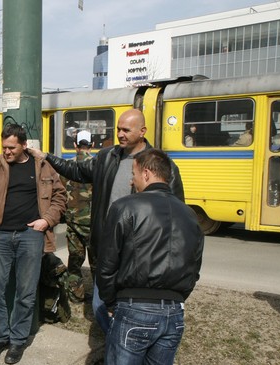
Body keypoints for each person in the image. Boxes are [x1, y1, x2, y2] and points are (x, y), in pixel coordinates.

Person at [29, 109, 184, 333]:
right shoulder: (107, 157)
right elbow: (77, 170)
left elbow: (176, 210)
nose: (120, 134)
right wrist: (46, 157)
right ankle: (118, 337)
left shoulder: (160, 164)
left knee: (131, 305)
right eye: (118, 129)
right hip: (108, 244)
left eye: (126, 130)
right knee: (101, 304)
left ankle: (126, 340)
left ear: (142, 132)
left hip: (141, 248)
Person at [96, 148, 204, 365]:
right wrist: (177, 299)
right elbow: (194, 269)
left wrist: (109, 301)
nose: (132, 181)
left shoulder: (126, 207)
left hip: (133, 308)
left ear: (146, 172)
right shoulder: (191, 215)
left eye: (133, 175)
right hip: (173, 313)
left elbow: (106, 265)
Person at [0, 123, 66, 365]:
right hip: (0, 236)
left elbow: (60, 196)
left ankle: (17, 341)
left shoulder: (42, 166)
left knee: (25, 292)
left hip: (30, 235)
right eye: (4, 147)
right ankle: (0, 336)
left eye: (12, 147)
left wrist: (46, 221)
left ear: (24, 145)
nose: (7, 152)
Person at [59, 131, 94, 303]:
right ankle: (100, 300)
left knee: (74, 262)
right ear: (92, 145)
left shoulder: (67, 167)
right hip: (94, 224)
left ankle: (76, 295)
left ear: (75, 145)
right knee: (98, 264)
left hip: (73, 223)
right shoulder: (99, 166)